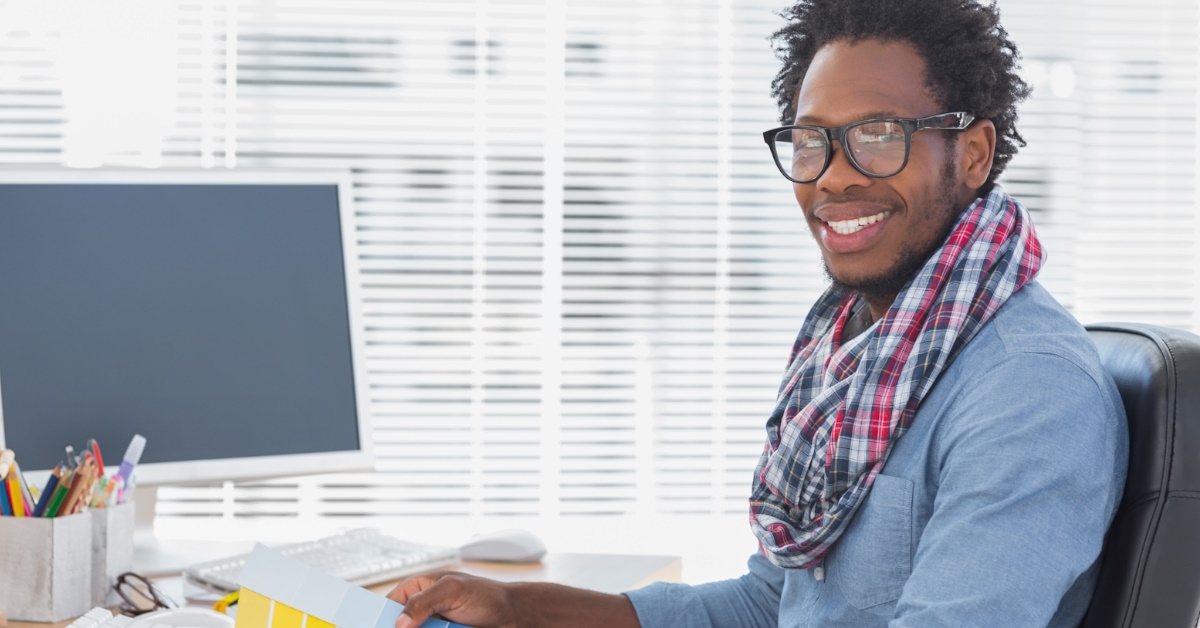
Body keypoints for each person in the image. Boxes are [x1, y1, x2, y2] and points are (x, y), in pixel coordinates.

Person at [389, 0, 1129, 625]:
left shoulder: (1028, 391)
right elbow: (771, 605)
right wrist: (520, 608)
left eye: (878, 137)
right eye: (811, 142)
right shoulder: (865, 354)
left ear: (971, 154)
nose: (833, 178)